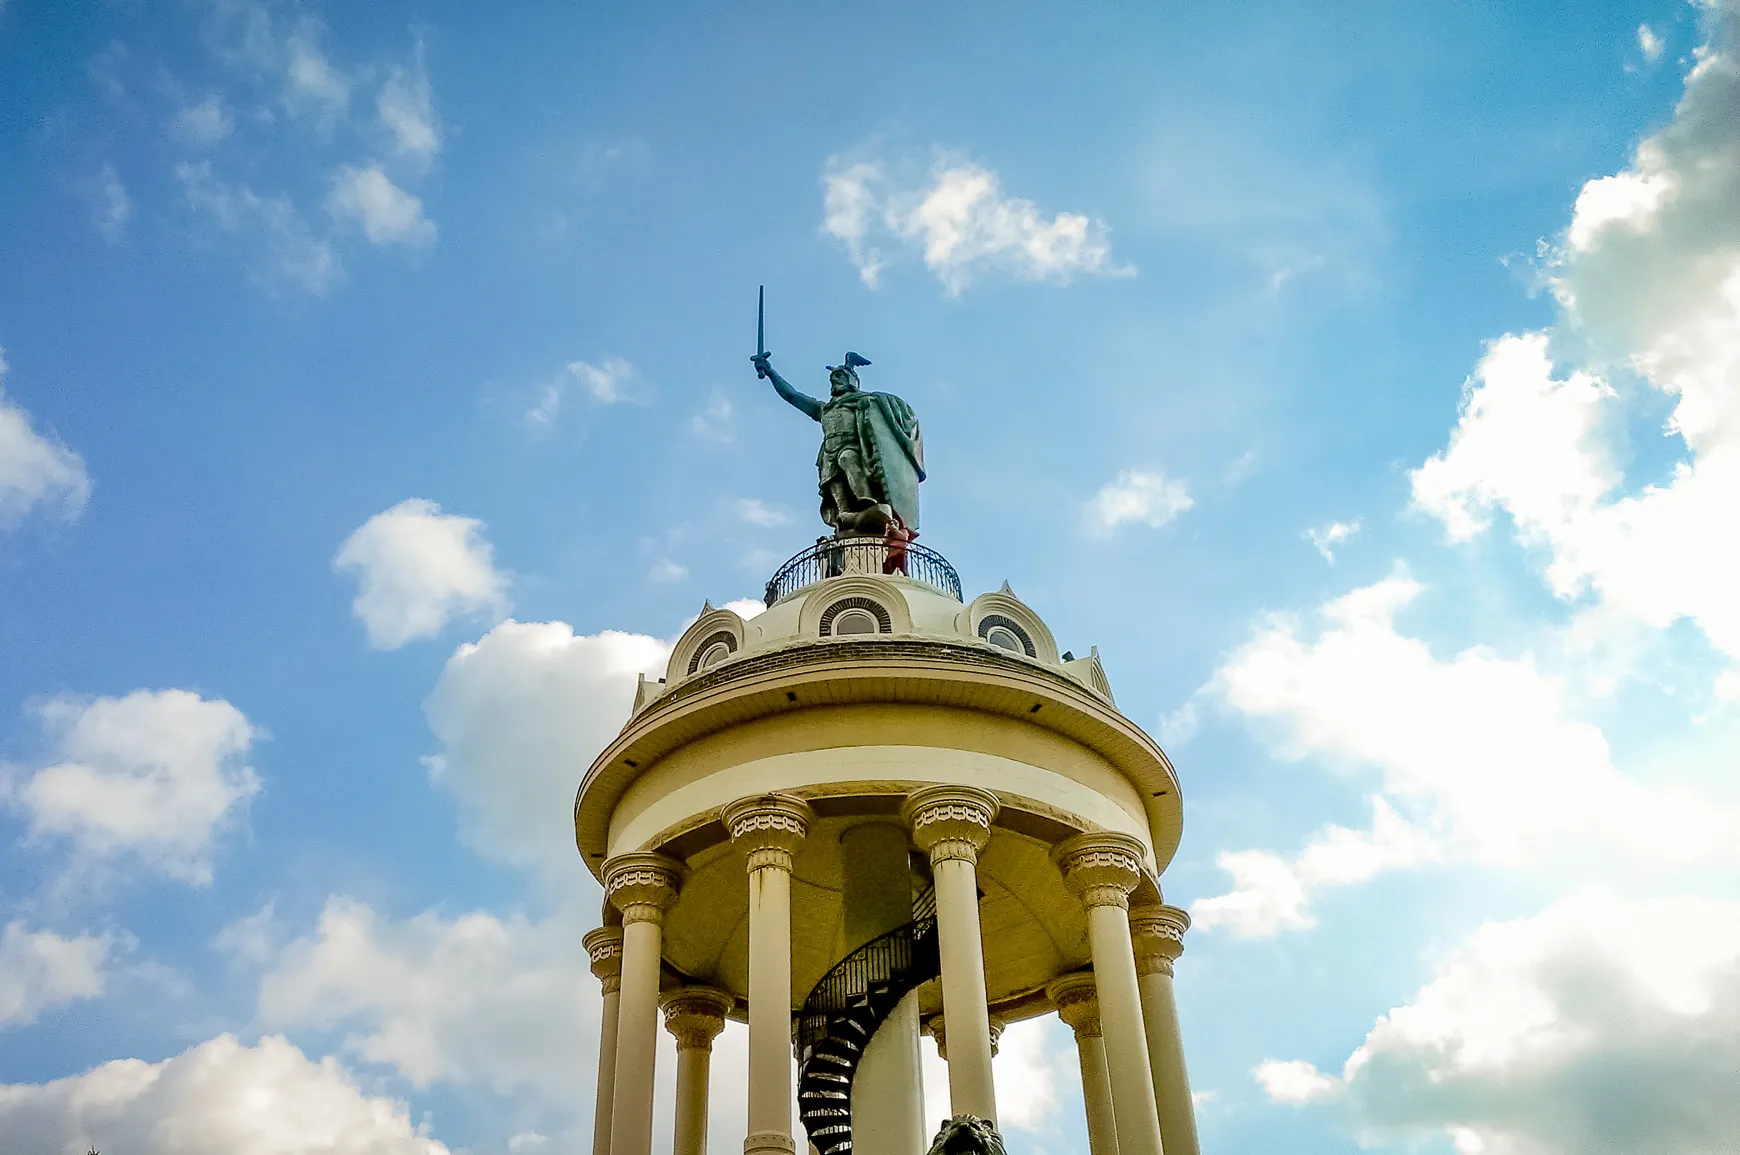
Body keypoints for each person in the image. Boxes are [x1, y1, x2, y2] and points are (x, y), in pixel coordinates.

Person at [754, 350, 925, 536]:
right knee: (832, 479)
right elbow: (792, 396)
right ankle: (845, 513)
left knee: (847, 458)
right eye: (832, 379)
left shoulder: (863, 400)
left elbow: (889, 410)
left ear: (852, 381)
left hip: (853, 447)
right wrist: (771, 372)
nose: (834, 381)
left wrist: (873, 404)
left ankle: (866, 500)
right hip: (829, 451)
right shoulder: (824, 409)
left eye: (839, 377)